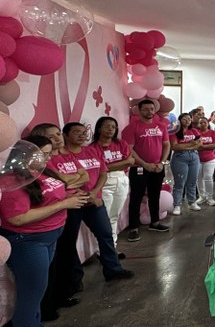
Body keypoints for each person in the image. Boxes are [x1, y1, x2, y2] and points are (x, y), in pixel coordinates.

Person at [0, 135, 90, 327]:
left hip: (50, 237)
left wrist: (69, 196)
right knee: (31, 295)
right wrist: (64, 203)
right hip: (28, 242)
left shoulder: (43, 172)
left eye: (50, 154)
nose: (49, 158)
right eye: (44, 154)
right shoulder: (12, 180)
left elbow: (48, 196)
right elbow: (17, 218)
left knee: (37, 291)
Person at [58, 122, 135, 295]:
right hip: (72, 203)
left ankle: (113, 269)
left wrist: (94, 192)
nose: (81, 135)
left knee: (106, 234)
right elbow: (62, 182)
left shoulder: (91, 151)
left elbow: (103, 172)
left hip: (94, 201)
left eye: (83, 132)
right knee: (68, 242)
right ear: (65, 135)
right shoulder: (60, 156)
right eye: (76, 132)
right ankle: (75, 280)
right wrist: (84, 194)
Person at [122, 99, 171, 242]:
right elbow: (129, 149)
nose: (149, 111)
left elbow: (166, 145)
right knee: (136, 197)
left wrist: (162, 162)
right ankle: (133, 228)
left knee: (155, 195)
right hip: (139, 168)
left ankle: (154, 222)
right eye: (145, 109)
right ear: (139, 110)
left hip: (157, 167)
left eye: (151, 109)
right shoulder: (131, 128)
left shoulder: (161, 126)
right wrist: (144, 164)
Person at [91, 116, 134, 252]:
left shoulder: (120, 143)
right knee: (104, 217)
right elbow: (99, 168)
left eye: (114, 127)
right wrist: (118, 164)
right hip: (104, 181)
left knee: (114, 215)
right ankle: (100, 249)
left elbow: (130, 161)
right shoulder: (92, 148)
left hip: (121, 179)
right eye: (107, 126)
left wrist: (109, 166)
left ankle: (112, 247)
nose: (111, 129)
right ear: (99, 128)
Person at [170, 113, 202, 215]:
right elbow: (175, 147)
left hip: (194, 157)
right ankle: (177, 205)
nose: (187, 121)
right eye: (184, 119)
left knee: (192, 181)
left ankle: (192, 202)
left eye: (189, 119)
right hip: (180, 158)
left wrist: (188, 146)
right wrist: (191, 144)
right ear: (179, 120)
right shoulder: (175, 132)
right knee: (180, 183)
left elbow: (199, 143)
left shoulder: (194, 131)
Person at [196, 116, 215, 206]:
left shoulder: (213, 133)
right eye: (201, 123)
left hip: (210, 159)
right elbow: (194, 145)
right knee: (199, 178)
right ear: (198, 124)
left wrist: (202, 147)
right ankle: (202, 196)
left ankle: (210, 197)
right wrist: (207, 146)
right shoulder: (196, 133)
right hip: (197, 159)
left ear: (208, 123)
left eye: (204, 122)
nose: (203, 124)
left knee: (208, 177)